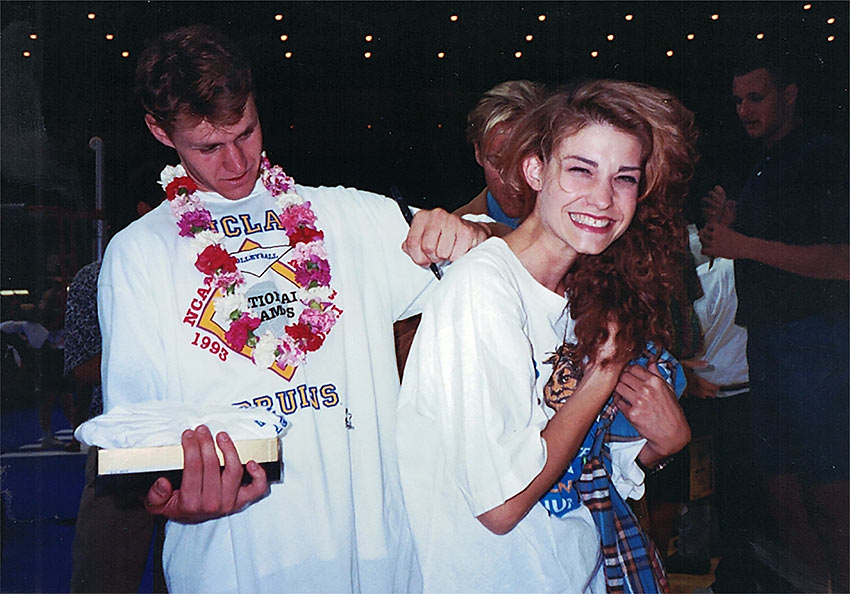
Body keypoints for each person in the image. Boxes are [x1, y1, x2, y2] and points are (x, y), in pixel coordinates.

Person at [97, 25, 491, 593]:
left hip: (377, 558)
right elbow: (139, 432)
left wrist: (471, 237)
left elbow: (511, 256)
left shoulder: (355, 216)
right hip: (237, 561)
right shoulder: (138, 253)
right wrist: (169, 498)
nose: (235, 162)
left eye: (247, 132)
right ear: (160, 131)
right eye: (207, 147)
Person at [397, 80, 697, 593]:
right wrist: (602, 374)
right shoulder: (483, 289)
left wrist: (662, 444)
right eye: (581, 169)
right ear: (536, 170)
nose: (602, 199)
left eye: (624, 178)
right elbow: (501, 505)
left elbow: (580, 461)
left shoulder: (583, 290)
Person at [700, 52, 849, 592]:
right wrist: (732, 227)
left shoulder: (822, 157)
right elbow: (767, 247)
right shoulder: (764, 162)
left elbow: (841, 260)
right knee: (782, 489)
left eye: (756, 97)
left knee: (828, 489)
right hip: (767, 342)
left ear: (789, 95)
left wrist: (744, 243)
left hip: (817, 342)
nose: (744, 109)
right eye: (738, 100)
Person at [394, 80, 544, 377]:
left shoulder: (584, 229)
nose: (513, 179)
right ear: (477, 153)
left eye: (527, 160)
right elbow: (408, 360)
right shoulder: (441, 244)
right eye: (498, 160)